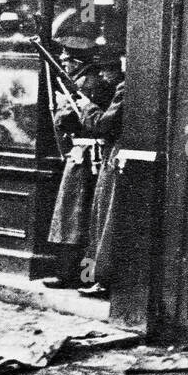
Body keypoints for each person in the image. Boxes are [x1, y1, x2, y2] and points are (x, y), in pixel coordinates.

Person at [44, 16, 116, 289]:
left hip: (86, 156)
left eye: (67, 57)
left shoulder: (89, 85)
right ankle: (77, 275)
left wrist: (65, 107)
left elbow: (73, 121)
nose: (63, 60)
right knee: (78, 218)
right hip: (85, 155)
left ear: (77, 61)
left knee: (74, 218)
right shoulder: (89, 82)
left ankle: (72, 275)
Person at [72, 49, 126, 298]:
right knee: (101, 217)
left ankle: (102, 280)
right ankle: (94, 277)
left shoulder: (124, 88)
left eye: (108, 69)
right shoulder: (116, 88)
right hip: (111, 156)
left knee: (105, 218)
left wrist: (87, 107)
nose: (103, 74)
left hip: (115, 158)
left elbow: (104, 124)